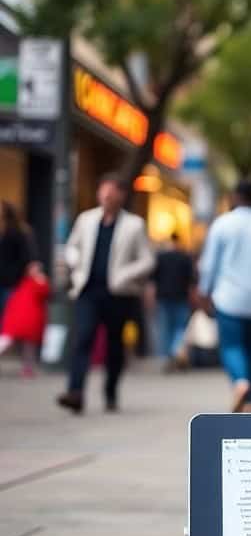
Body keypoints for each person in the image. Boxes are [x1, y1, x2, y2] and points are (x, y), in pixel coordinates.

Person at [57, 174, 155, 414]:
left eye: (111, 193)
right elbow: (72, 246)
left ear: (121, 195)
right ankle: (76, 392)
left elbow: (148, 260)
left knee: (114, 345)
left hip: (118, 294)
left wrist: (126, 274)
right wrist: (75, 262)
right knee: (83, 339)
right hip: (88, 290)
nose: (106, 197)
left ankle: (110, 391)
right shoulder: (86, 220)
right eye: (103, 192)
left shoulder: (134, 225)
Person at [198, 179, 251, 412]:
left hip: (227, 298)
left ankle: (240, 382)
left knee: (232, 347)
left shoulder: (222, 225)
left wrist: (204, 291)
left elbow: (209, 264)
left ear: (235, 196)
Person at [151, 232, 194, 371]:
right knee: (180, 328)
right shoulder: (185, 258)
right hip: (181, 297)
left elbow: (153, 279)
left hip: (163, 297)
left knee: (165, 329)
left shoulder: (161, 257)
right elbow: (191, 280)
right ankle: (175, 351)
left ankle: (168, 355)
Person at [0, 261, 49, 377]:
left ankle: (28, 368)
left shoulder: (31, 283)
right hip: (21, 319)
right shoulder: (27, 283)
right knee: (10, 342)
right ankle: (28, 368)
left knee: (27, 346)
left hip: (28, 320)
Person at [0, 201, 35, 319]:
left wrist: (17, 275)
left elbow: (27, 257)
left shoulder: (19, 232)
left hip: (12, 283)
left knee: (7, 315)